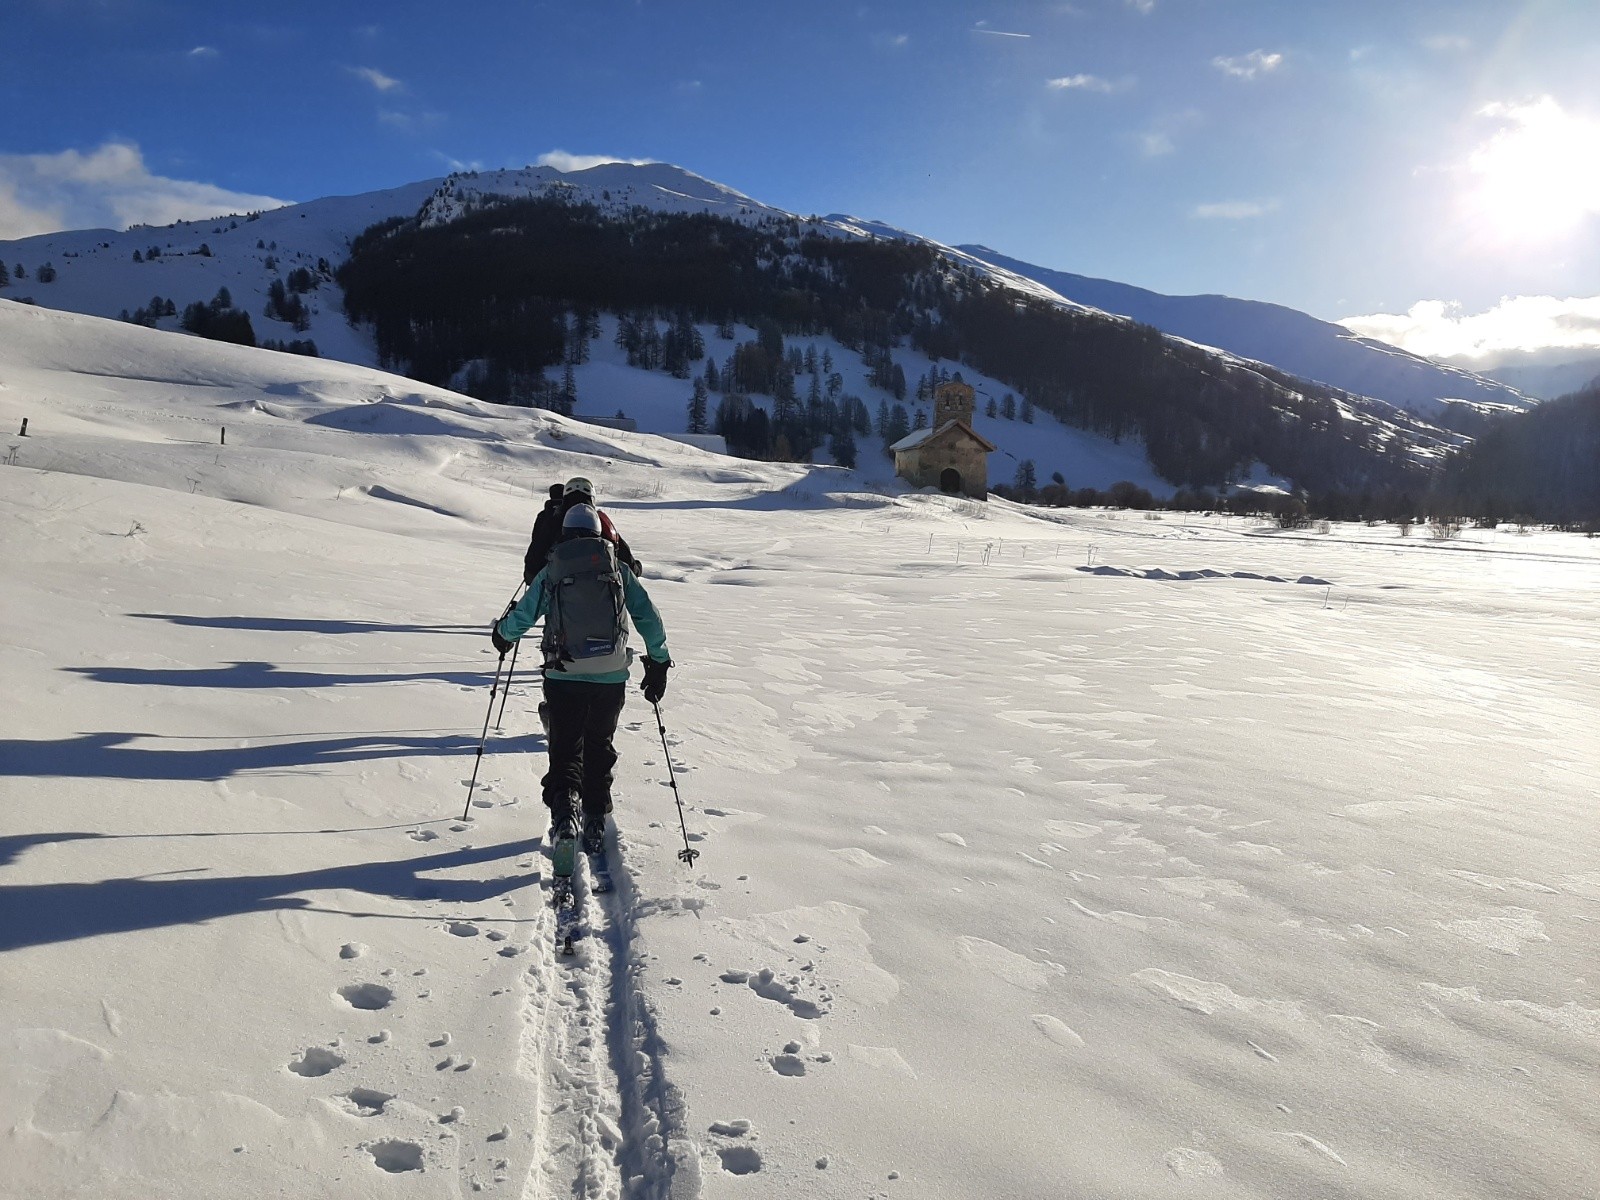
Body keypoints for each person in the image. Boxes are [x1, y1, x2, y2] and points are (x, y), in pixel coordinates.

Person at [493, 503, 672, 854]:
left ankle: (564, 814)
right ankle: (594, 816)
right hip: (610, 674)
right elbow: (648, 616)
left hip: (564, 673)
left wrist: (503, 634)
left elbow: (526, 613)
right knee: (598, 745)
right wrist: (659, 662)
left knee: (565, 747)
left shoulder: (554, 568)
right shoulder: (618, 568)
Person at [523, 476, 639, 583]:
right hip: (601, 595)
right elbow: (629, 565)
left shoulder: (551, 520)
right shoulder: (599, 521)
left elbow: (531, 571)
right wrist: (637, 567)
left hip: (554, 595)